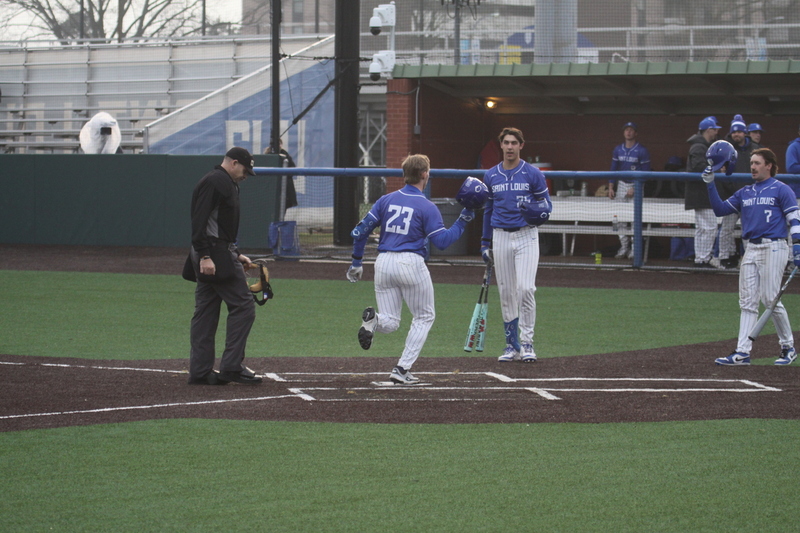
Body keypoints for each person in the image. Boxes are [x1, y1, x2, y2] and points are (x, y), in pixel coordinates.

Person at [346, 154, 475, 384]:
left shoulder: (385, 200)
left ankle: (374, 320)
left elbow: (360, 231)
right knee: (424, 316)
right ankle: (402, 369)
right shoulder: (427, 206)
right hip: (410, 263)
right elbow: (442, 242)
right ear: (425, 174)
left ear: (404, 174)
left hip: (383, 262)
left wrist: (357, 261)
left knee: (390, 321)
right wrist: (462, 220)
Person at [703, 147, 799, 366]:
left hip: (774, 247)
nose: (753, 167)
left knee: (770, 298)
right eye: (751, 163)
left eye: (757, 163)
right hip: (751, 249)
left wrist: (797, 247)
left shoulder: (781, 189)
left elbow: (795, 219)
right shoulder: (745, 192)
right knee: (747, 301)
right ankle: (742, 352)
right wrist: (710, 184)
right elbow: (720, 210)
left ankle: (788, 347)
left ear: (769, 166)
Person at [187, 147, 262, 385]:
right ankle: (231, 366)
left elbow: (219, 226)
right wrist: (205, 255)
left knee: (206, 312)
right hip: (213, 253)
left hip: (216, 251)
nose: (246, 175)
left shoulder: (224, 182)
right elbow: (199, 220)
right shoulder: (216, 181)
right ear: (233, 163)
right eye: (245, 170)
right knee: (244, 306)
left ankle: (200, 372)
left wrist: (236, 253)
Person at [480, 127, 552, 363]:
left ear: (521, 145)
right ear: (501, 145)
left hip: (526, 235)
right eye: (506, 142)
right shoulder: (491, 175)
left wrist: (537, 213)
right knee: (506, 292)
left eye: (514, 143)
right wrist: (484, 243)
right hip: (500, 236)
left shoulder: (533, 173)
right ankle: (512, 345)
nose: (510, 147)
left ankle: (528, 342)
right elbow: (488, 210)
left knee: (526, 289)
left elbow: (547, 205)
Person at [717, 115, 757, 269]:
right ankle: (724, 258)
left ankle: (748, 258)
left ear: (745, 133)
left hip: (750, 196)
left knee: (748, 230)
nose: (736, 135)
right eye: (734, 132)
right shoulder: (726, 149)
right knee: (726, 229)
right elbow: (721, 172)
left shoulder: (755, 148)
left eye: (739, 132)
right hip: (732, 196)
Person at [608, 121, 651, 259]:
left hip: (636, 184)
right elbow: (613, 168)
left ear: (636, 133)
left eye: (631, 130)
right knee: (618, 217)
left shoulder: (642, 150)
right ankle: (624, 246)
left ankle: (634, 248)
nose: (628, 132)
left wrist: (634, 187)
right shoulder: (618, 149)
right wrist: (611, 186)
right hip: (621, 183)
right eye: (626, 129)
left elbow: (646, 172)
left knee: (635, 218)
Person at [684, 116, 721, 269]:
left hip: (700, 193)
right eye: (714, 129)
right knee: (710, 227)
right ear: (708, 130)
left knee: (702, 228)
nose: (716, 132)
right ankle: (703, 259)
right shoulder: (699, 146)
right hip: (700, 193)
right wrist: (717, 167)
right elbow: (698, 167)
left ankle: (701, 259)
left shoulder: (702, 145)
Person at [265, 138, 298, 215]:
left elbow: (292, 168)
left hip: (285, 188)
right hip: (272, 188)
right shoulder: (268, 155)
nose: (278, 145)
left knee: (282, 208)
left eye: (279, 144)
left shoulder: (285, 155)